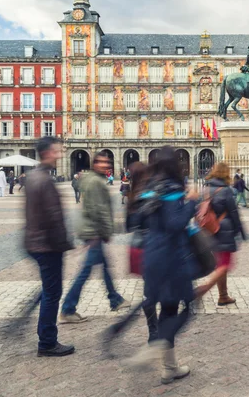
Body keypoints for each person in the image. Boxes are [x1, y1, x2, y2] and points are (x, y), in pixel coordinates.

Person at [127, 146, 199, 384]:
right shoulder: (173, 190)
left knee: (167, 309)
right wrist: (191, 202)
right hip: (172, 259)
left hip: (152, 256)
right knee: (187, 306)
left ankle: (170, 367)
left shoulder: (150, 188)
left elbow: (135, 220)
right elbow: (176, 223)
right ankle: (155, 348)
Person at [60, 152, 128, 323]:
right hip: (94, 232)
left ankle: (114, 298)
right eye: (103, 163)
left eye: (108, 163)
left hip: (92, 230)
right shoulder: (96, 182)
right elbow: (99, 210)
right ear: (95, 163)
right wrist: (105, 232)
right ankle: (68, 308)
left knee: (104, 266)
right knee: (86, 271)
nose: (106, 166)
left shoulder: (91, 179)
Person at [25, 137, 74, 356]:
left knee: (48, 289)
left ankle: (44, 334)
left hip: (35, 242)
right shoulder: (44, 180)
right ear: (47, 152)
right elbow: (53, 217)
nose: (60, 154)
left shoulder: (33, 176)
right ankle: (47, 342)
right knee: (53, 293)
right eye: (56, 151)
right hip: (47, 245)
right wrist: (63, 244)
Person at [205, 162, 247, 306]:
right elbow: (233, 212)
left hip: (209, 230)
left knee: (220, 263)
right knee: (224, 264)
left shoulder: (205, 188)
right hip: (224, 231)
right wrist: (239, 230)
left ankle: (223, 295)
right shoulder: (226, 190)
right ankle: (207, 290)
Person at [126, 162, 158, 343]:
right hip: (153, 246)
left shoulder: (132, 195)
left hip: (138, 247)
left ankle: (153, 331)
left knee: (149, 291)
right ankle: (157, 333)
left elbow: (129, 225)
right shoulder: (151, 193)